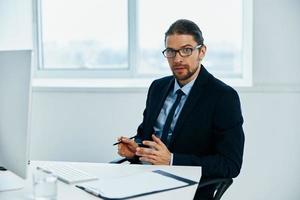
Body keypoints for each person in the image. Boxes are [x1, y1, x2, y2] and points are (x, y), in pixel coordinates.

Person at [116, 19, 245, 199]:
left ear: (202, 51)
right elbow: (145, 136)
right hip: (145, 182)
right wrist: (135, 150)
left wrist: (172, 160)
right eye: (171, 52)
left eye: (186, 50)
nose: (177, 59)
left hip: (188, 190)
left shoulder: (223, 97)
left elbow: (230, 164)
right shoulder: (158, 88)